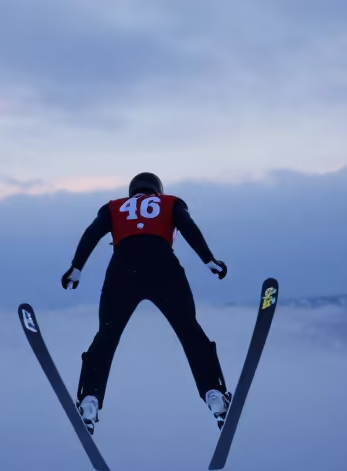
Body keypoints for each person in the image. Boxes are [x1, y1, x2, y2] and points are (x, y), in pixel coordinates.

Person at [61, 172, 231, 435]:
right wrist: (209, 260)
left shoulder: (114, 207)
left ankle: (89, 400)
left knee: (107, 334)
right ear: (157, 191)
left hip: (122, 270)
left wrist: (76, 267)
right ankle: (214, 394)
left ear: (132, 191)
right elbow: (188, 227)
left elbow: (92, 232)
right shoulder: (171, 202)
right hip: (163, 266)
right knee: (188, 329)